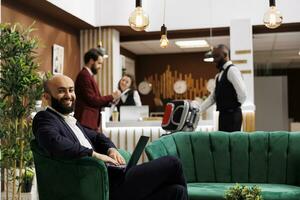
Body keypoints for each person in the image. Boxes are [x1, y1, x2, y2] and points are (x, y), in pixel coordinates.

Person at [33, 75, 188, 200]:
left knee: (176, 191)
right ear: (46, 97)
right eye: (61, 91)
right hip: (103, 184)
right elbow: (55, 143)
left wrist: (111, 149)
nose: (68, 95)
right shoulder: (45, 118)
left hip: (114, 176)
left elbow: (98, 137)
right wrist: (95, 154)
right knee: (173, 163)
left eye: (71, 90)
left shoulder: (70, 120)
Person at [198, 44, 247, 132]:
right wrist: (198, 110)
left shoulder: (232, 70)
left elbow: (242, 94)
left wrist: (234, 107)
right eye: (213, 57)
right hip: (222, 115)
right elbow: (213, 98)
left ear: (225, 55)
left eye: (217, 56)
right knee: (223, 143)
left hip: (233, 116)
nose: (214, 60)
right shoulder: (218, 75)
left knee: (232, 144)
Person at [74, 48, 121, 131]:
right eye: (99, 63)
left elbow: (95, 100)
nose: (100, 67)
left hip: (90, 121)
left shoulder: (87, 75)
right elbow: (92, 100)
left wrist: (111, 100)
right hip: (86, 121)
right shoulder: (84, 75)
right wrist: (112, 96)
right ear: (91, 61)